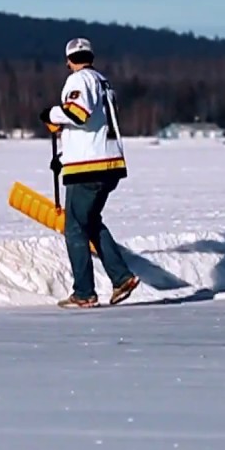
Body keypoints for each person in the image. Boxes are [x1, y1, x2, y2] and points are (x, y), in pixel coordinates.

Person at [38, 37, 140, 308]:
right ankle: (121, 278)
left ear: (69, 60)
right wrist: (64, 154)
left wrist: (50, 115)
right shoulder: (104, 82)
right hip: (109, 163)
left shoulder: (79, 80)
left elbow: (78, 114)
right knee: (90, 221)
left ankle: (84, 292)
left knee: (75, 228)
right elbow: (92, 124)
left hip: (89, 167)